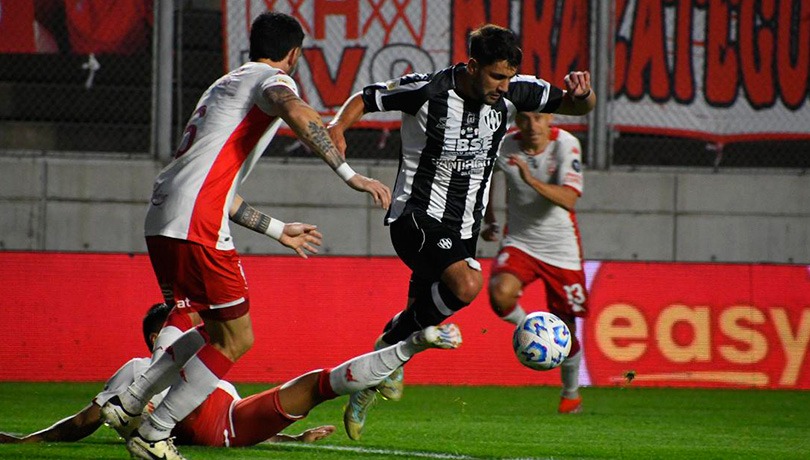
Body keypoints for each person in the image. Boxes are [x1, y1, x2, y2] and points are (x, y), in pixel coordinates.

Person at [99, 11, 392, 460]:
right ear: (293, 55)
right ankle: (155, 432)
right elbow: (295, 110)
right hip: (196, 221)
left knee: (215, 331)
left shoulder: (223, 86)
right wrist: (350, 174)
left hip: (164, 216)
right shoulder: (272, 80)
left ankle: (132, 399)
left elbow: (220, 190)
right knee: (237, 340)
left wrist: (277, 229)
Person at [327, 24, 595, 439]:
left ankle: (374, 376)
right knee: (468, 285)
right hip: (414, 217)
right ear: (473, 66)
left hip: (463, 228)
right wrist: (337, 128)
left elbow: (579, 107)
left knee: (417, 319)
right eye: (496, 77)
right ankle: (388, 353)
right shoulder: (427, 91)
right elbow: (366, 97)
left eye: (509, 77)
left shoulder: (515, 91)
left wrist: (583, 96)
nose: (503, 87)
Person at [1, 303, 462, 448]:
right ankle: (405, 347)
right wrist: (26, 443)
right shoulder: (145, 366)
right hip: (228, 421)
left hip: (227, 425)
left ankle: (408, 346)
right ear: (158, 336)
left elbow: (87, 419)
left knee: (315, 386)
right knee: (315, 386)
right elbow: (85, 420)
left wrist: (291, 441)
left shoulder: (148, 368)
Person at [481, 112, 588, 414]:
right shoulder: (504, 145)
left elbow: (569, 198)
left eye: (539, 118)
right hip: (520, 240)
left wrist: (530, 179)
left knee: (567, 331)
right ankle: (533, 330)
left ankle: (571, 394)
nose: (532, 126)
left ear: (550, 118)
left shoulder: (565, 144)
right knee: (499, 294)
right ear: (516, 120)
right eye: (524, 119)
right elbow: (486, 178)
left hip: (561, 248)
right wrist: (488, 218)